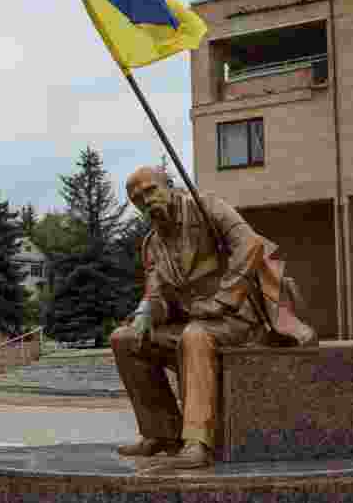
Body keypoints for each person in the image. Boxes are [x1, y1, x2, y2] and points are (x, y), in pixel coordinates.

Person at [110, 166, 317, 469]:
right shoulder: (152, 244)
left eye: (151, 190)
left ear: (169, 185)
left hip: (239, 317)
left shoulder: (206, 208)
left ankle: (198, 443)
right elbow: (158, 297)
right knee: (124, 339)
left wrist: (222, 299)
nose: (147, 200)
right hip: (195, 320)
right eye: (138, 199)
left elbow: (251, 245)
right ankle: (161, 432)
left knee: (196, 335)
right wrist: (144, 315)